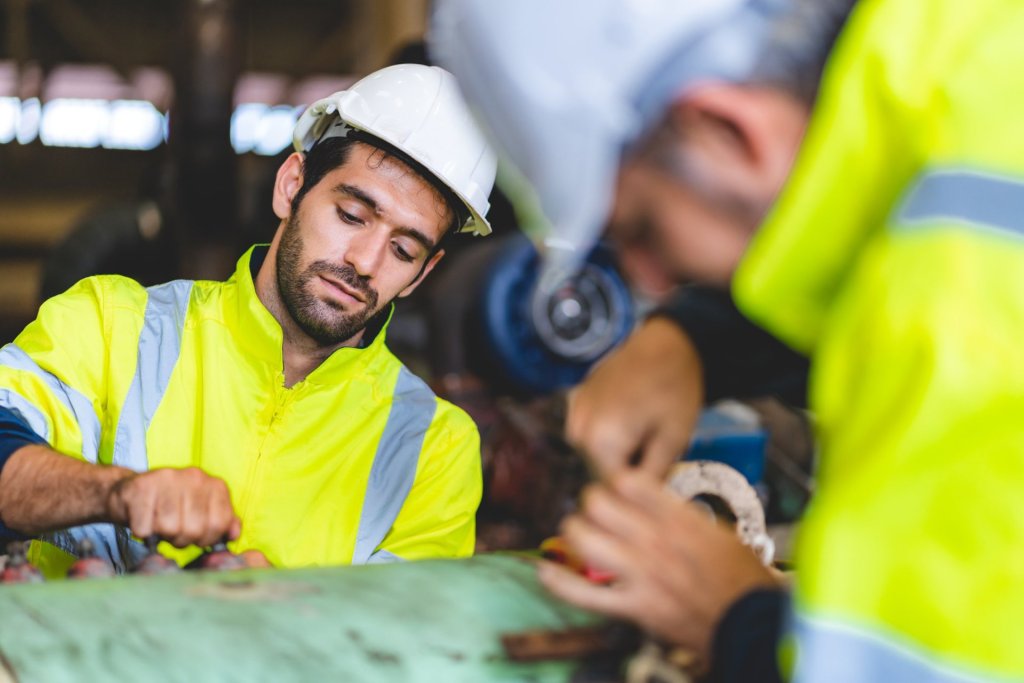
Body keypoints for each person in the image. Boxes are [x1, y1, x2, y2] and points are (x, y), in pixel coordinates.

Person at [432, 0, 1024, 681]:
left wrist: (735, 618)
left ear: (729, 130)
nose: (649, 282)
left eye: (644, 231)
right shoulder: (968, 80)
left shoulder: (960, 292)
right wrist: (691, 338)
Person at [0, 63, 497, 577]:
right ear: (291, 186)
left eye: (402, 248)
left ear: (423, 273)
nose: (365, 262)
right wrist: (116, 492)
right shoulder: (112, 325)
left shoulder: (433, 448)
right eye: (351, 215)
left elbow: (406, 642)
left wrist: (279, 615)